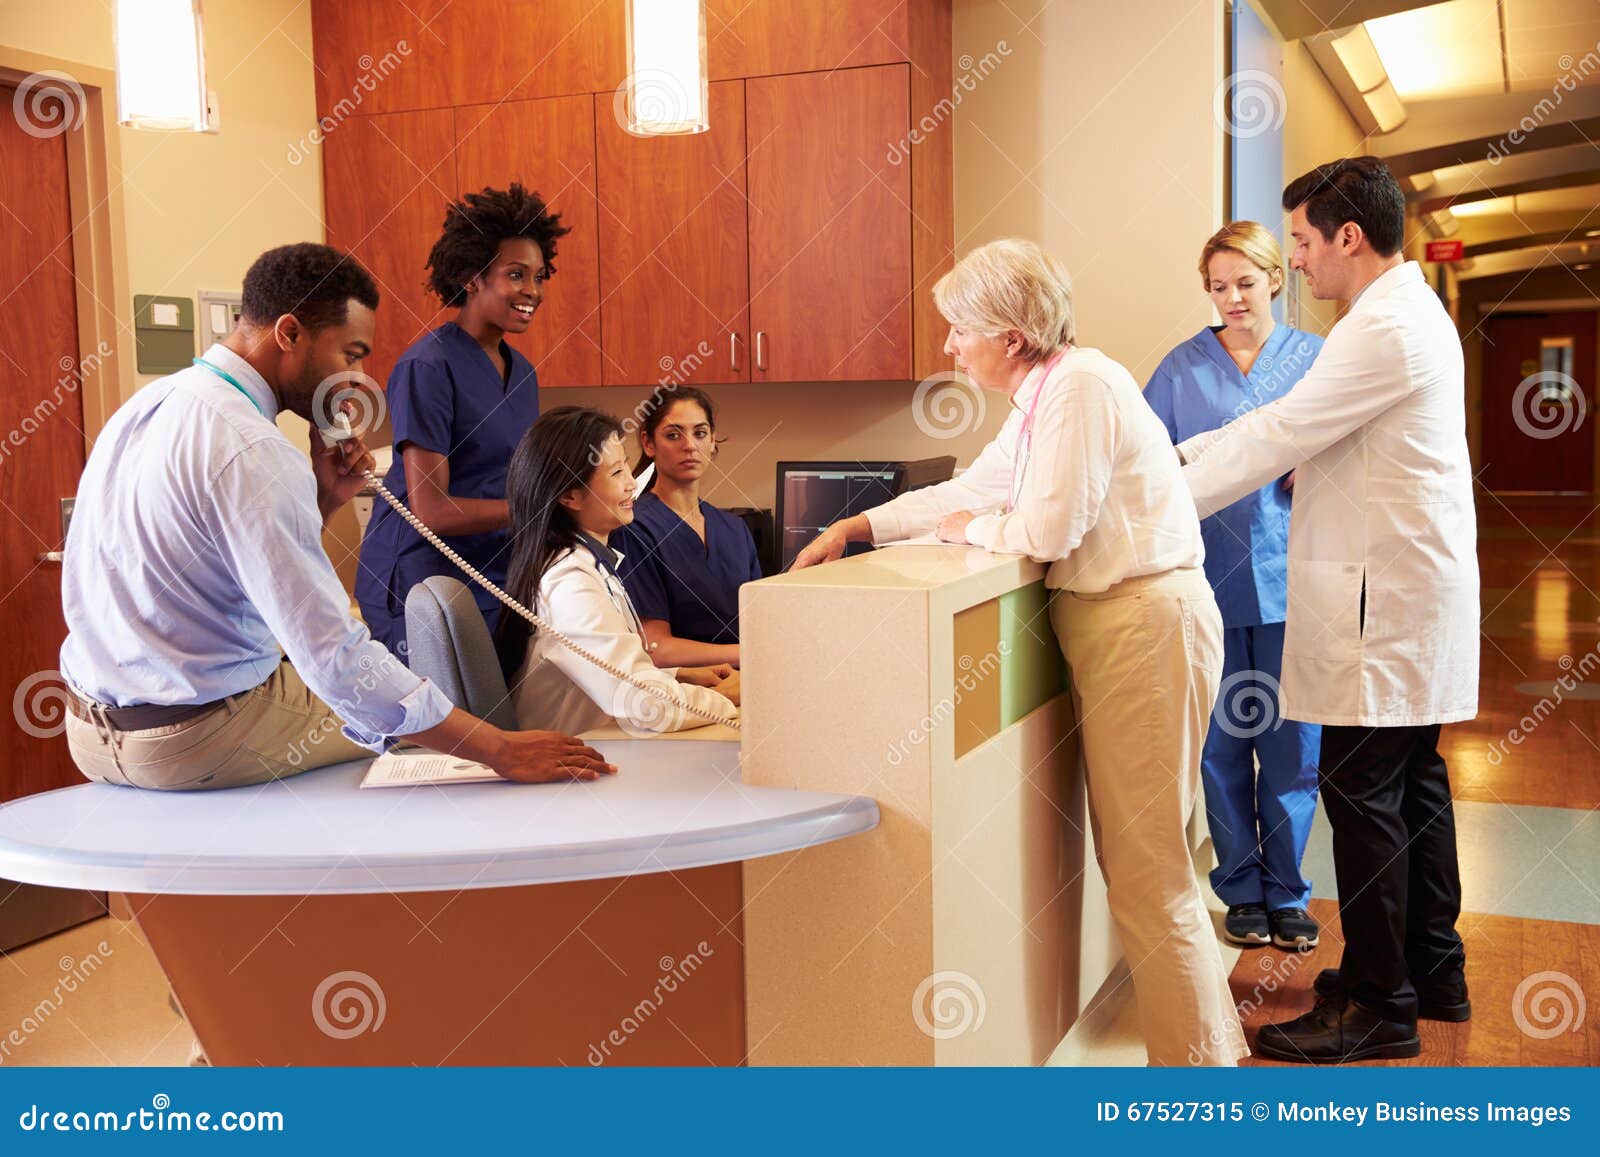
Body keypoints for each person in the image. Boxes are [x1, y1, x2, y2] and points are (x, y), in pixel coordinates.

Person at [793, 238, 1247, 1067]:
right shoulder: (1045, 398)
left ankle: (1200, 1081)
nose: (949, 348)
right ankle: (1200, 1060)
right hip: (1121, 628)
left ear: (1008, 334)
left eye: (959, 329)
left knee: (1149, 872)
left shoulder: (1078, 388)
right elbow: (974, 488)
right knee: (1145, 866)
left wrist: (973, 530)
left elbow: (1044, 528)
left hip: (1141, 625)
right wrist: (858, 526)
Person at [59, 243, 614, 790]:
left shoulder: (148, 406)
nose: (355, 377)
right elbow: (334, 657)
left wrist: (323, 498)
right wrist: (500, 750)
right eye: (350, 354)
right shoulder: (254, 450)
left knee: (399, 704)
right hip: (196, 736)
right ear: (290, 333)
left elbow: (235, 574)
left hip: (91, 730)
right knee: (411, 727)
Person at [1177, 157, 1477, 1064]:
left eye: (1302, 242)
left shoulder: (1380, 329)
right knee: (1412, 785)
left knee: (1362, 792)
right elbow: (1293, 431)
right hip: (1405, 596)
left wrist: (1153, 488)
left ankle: (1382, 1006)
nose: (1294, 262)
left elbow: (1280, 431)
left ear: (1349, 237)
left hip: (1382, 605)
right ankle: (1430, 968)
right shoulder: (1402, 314)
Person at [1143, 221, 1324, 952]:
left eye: (1244, 282)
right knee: (1219, 744)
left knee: (1291, 746)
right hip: (1206, 584)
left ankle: (1288, 892)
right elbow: (1149, 466)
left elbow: (1352, 445)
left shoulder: (1316, 361)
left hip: (1297, 583)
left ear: (1276, 278)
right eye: (1218, 287)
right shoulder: (1181, 368)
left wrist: (1318, 465)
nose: (1232, 298)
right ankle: (1241, 888)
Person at [356, 183, 563, 658]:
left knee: (494, 717)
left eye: (539, 276)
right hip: (421, 574)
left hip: (492, 569)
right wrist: (541, 509)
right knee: (434, 726)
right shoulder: (427, 367)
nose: (532, 290)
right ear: (473, 278)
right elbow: (432, 510)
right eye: (516, 274)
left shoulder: (523, 374)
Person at [496, 406, 741, 736]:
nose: (632, 485)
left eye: (627, 467)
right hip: (579, 766)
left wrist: (678, 674)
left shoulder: (588, 563)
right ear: (570, 494)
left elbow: (609, 671)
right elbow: (644, 706)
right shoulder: (570, 585)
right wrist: (724, 699)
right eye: (616, 474)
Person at [612, 387, 763, 669]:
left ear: (713, 439)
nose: (690, 445)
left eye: (700, 433)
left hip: (749, 679)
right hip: (685, 690)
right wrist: (747, 654)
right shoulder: (634, 529)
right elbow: (656, 649)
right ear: (648, 443)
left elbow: (759, 624)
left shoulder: (735, 529)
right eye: (673, 435)